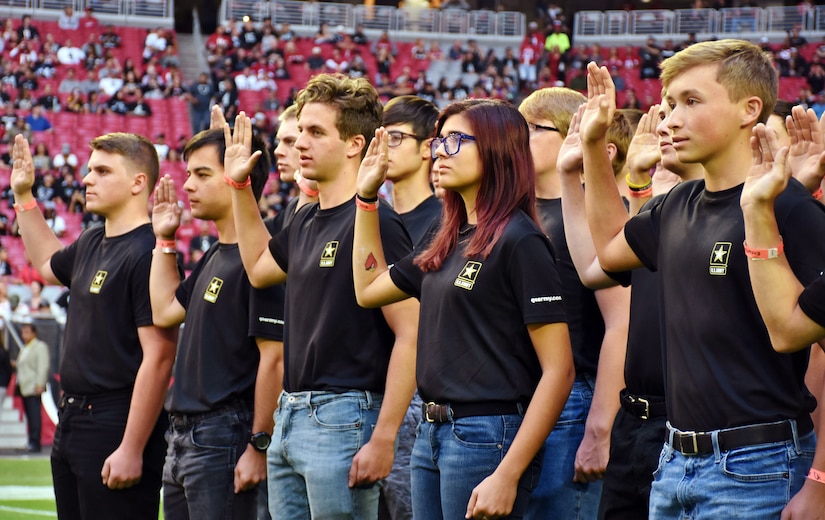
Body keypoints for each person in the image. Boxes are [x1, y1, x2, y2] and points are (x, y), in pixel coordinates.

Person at [578, 40, 825, 518]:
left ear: (749, 109)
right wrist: (592, 144)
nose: (670, 119)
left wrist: (819, 480)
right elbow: (609, 248)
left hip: (759, 465)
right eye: (670, 104)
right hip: (673, 462)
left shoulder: (791, 208)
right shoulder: (677, 204)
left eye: (691, 102)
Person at [350, 98, 574, 519]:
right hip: (432, 433)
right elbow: (368, 289)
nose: (440, 151)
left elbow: (559, 370)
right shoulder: (447, 235)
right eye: (440, 140)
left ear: (496, 149)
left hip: (486, 434)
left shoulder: (520, 240)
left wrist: (508, 474)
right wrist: (365, 200)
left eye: (456, 140)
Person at [224, 73, 419, 519]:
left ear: (354, 144)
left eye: (315, 132)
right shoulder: (306, 218)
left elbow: (412, 334)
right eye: (300, 132)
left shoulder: (377, 222)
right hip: (290, 414)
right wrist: (240, 188)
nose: (300, 144)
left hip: (346, 417)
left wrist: (384, 437)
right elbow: (257, 269)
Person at [10, 132, 178, 519]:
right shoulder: (90, 240)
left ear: (139, 183)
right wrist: (23, 195)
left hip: (115, 420)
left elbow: (160, 356)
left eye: (102, 171)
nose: (87, 179)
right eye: (89, 170)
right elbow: (47, 263)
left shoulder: (148, 253)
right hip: (73, 419)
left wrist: (132, 447)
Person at [150, 123, 283, 519]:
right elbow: (164, 312)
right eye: (189, 173)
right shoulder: (215, 254)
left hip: (225, 435)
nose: (188, 185)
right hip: (183, 438)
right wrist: (165, 240)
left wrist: (258, 446)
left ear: (236, 174)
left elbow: (273, 359)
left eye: (202, 174)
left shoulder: (262, 259)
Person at [518, 87, 631, 520]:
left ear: (573, 136)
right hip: (519, 397)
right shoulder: (516, 213)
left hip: (574, 402)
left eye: (534, 129)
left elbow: (621, 323)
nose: (520, 137)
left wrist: (600, 427)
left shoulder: (599, 214)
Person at [375, 95, 440, 520]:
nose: (383, 148)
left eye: (395, 137)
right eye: (380, 137)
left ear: (428, 147)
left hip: (418, 396)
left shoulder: (444, 220)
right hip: (365, 390)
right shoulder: (372, 217)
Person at [13, 323, 50, 453]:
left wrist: (40, 384)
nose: (24, 335)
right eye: (23, 332)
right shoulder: (25, 348)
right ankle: (31, 441)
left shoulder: (39, 347)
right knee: (30, 416)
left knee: (35, 416)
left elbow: (42, 366)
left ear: (34, 333)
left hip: (33, 386)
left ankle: (35, 442)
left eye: (27, 332)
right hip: (24, 387)